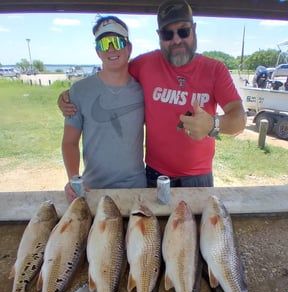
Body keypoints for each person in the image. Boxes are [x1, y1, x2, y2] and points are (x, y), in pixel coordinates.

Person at [58, 0, 246, 188]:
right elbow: (113, 72)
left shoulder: (215, 70)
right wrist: (70, 95)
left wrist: (213, 123)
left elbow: (239, 118)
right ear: (159, 36)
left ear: (194, 29)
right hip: (153, 175)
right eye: (167, 34)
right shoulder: (145, 65)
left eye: (183, 31)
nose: (176, 40)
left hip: (198, 176)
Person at [62, 15, 146, 202]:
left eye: (116, 41)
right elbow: (69, 142)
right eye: (104, 43)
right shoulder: (79, 90)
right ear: (97, 51)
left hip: (136, 189)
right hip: (93, 189)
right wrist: (74, 178)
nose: (110, 49)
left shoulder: (143, 90)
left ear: (129, 48)